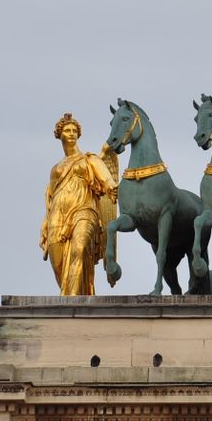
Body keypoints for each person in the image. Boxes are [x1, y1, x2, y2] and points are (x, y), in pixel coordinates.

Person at [40, 113, 119, 295]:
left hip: (85, 210)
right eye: (67, 130)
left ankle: (71, 303)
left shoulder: (91, 159)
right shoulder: (55, 169)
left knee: (80, 248)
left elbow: (106, 179)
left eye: (74, 130)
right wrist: (45, 223)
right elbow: (51, 199)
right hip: (58, 216)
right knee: (58, 262)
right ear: (59, 135)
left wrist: (111, 187)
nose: (71, 133)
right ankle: (70, 297)